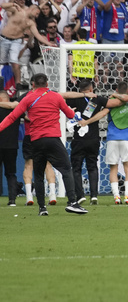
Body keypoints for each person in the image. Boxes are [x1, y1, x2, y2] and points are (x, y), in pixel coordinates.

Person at [0, 73, 87, 216]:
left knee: (38, 174)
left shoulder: (28, 98)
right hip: (52, 138)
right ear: (47, 84)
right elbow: (69, 114)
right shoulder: (56, 96)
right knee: (66, 169)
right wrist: (76, 116)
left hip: (36, 141)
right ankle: (72, 202)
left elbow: (12, 116)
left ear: (33, 85)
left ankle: (42, 208)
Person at [62, 79, 128, 206]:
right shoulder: (98, 99)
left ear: (80, 90)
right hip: (93, 138)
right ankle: (94, 196)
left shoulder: (74, 99)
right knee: (92, 167)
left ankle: (80, 196)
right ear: (91, 89)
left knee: (76, 168)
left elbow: (62, 95)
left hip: (78, 139)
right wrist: (115, 95)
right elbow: (118, 103)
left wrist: (80, 97)